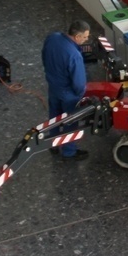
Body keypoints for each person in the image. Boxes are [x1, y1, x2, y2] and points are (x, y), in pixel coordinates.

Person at [42, 19, 92, 160]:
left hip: (53, 87)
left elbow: (44, 57)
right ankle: (69, 152)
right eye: (85, 37)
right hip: (68, 94)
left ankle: (53, 144)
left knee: (54, 117)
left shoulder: (52, 38)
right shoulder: (74, 55)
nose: (86, 39)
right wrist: (80, 96)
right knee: (71, 121)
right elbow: (79, 83)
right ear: (77, 36)